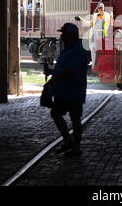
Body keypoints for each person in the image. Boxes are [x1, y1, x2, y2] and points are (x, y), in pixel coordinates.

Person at [45, 23, 89, 157]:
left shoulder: (78, 52)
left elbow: (69, 70)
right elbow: (64, 68)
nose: (61, 36)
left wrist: (53, 79)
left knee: (74, 118)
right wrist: (52, 72)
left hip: (73, 91)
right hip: (64, 91)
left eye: (64, 33)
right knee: (58, 114)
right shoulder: (68, 50)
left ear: (72, 35)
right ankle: (69, 142)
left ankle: (75, 146)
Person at [76, 2, 112, 69]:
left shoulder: (107, 16)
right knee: (93, 50)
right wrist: (81, 20)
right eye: (99, 8)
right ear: (97, 9)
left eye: (101, 8)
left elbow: (110, 23)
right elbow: (90, 24)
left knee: (100, 52)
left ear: (104, 8)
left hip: (102, 37)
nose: (100, 10)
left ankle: (101, 66)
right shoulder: (95, 16)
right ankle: (94, 67)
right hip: (94, 36)